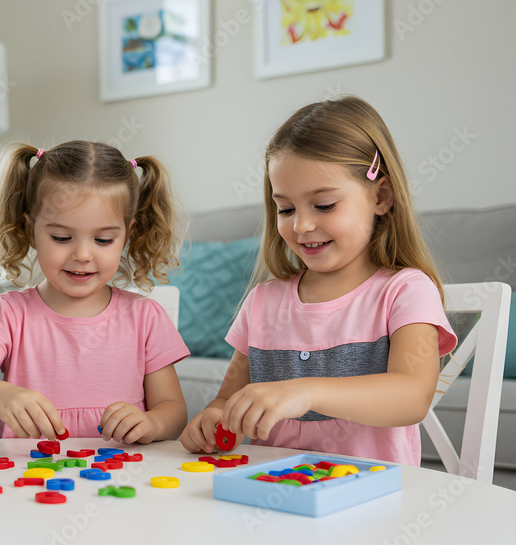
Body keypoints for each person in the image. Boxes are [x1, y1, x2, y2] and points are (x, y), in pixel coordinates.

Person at [180, 96, 457, 465]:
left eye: (324, 205)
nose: (301, 225)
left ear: (382, 196)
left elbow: (411, 397)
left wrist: (306, 392)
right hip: (270, 496)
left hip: (373, 506)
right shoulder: (263, 302)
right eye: (286, 208)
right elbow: (227, 401)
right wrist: (216, 419)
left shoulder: (406, 291)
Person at [0, 140, 189, 443]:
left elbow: (174, 410)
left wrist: (151, 424)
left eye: (103, 240)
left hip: (122, 476)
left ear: (127, 235)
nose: (83, 255)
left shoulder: (145, 317)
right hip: (25, 477)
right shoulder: (9, 313)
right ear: (30, 230)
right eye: (61, 237)